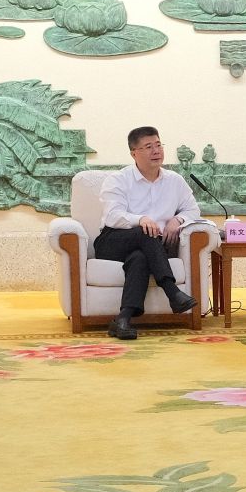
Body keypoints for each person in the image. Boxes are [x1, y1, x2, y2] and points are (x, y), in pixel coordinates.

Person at [95, 126, 203, 340]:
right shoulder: (118, 179)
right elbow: (113, 216)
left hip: (151, 247)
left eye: (158, 145)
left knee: (140, 258)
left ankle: (122, 320)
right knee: (146, 232)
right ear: (134, 153)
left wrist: (178, 219)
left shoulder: (174, 181)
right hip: (113, 241)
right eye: (148, 147)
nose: (156, 151)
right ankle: (172, 291)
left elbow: (193, 210)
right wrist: (140, 219)